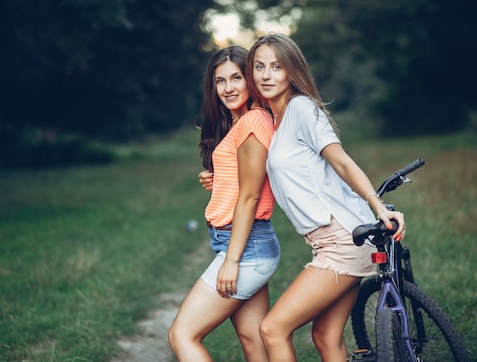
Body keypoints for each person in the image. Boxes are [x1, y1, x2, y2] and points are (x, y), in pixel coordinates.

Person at [245, 33, 406, 362]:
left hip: (342, 238)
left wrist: (378, 207)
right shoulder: (275, 120)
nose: (266, 75)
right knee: (326, 337)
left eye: (276, 67)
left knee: (272, 329)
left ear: (292, 71)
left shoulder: (301, 109)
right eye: (259, 66)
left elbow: (342, 162)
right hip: (333, 239)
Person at [168, 46, 281, 362]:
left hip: (244, 248)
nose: (229, 88)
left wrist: (231, 261)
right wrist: (217, 181)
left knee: (182, 335)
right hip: (246, 243)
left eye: (237, 78)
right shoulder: (241, 122)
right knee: (253, 340)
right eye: (220, 81)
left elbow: (251, 196)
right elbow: (248, 181)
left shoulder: (253, 121)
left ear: (251, 80)